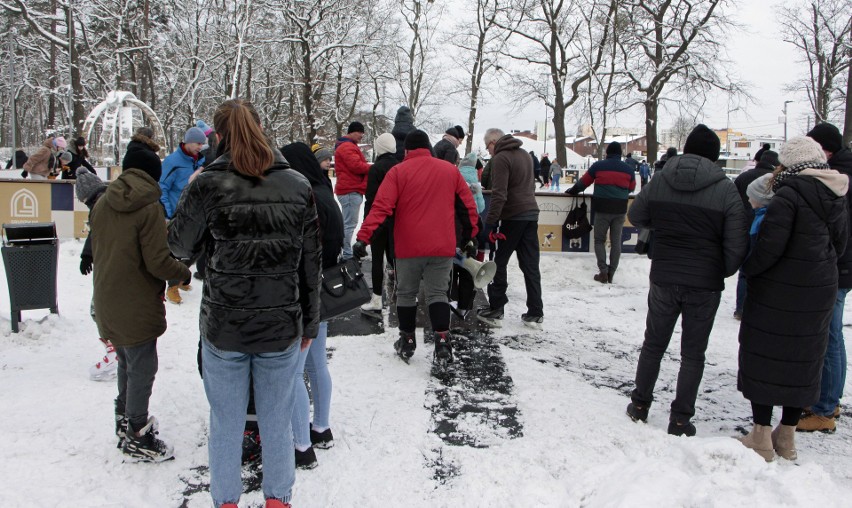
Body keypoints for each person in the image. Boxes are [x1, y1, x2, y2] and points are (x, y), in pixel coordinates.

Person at [168, 99, 321, 508]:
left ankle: (227, 502)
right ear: (259, 128)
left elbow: (179, 245)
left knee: (226, 425)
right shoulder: (297, 185)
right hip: (280, 325)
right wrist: (309, 323)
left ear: (218, 135)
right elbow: (311, 263)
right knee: (276, 421)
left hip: (225, 326)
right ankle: (278, 500)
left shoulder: (206, 183)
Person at [625, 124, 748, 436]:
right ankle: (680, 418)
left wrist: (662, 227)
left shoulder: (662, 178)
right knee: (693, 353)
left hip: (665, 274)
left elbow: (637, 215)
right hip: (704, 283)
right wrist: (719, 270)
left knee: (653, 343)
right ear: (715, 155)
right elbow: (736, 245)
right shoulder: (726, 189)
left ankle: (640, 404)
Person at [737, 136, 848, 461]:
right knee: (803, 360)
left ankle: (760, 435)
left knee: (766, 356)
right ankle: (785, 437)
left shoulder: (787, 195)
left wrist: (749, 268)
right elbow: (838, 247)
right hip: (819, 290)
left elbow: (770, 248)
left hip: (778, 290)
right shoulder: (836, 194)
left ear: (792, 164)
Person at [88, 125, 191, 461]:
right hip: (135, 303)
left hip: (106, 300)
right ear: (152, 174)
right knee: (143, 367)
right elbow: (158, 261)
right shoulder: (149, 208)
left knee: (125, 361)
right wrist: (183, 272)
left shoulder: (103, 203)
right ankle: (137, 433)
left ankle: (123, 420)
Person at [352, 130, 479, 364]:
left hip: (408, 246)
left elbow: (380, 208)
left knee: (406, 294)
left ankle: (407, 340)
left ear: (407, 150)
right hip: (442, 246)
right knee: (438, 294)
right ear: (428, 147)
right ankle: (442, 342)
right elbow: (467, 206)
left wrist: (363, 238)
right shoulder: (450, 170)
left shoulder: (397, 172)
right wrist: (470, 237)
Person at [281, 141, 344, 469]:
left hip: (304, 293)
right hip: (323, 291)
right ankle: (321, 427)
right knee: (316, 364)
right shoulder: (326, 194)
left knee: (291, 372)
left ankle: (302, 447)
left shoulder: (305, 197)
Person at [796, 122, 852, 432]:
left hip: (838, 266)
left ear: (825, 150)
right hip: (842, 265)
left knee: (829, 335)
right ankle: (829, 400)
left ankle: (825, 408)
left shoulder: (839, 178)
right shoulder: (842, 171)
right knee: (832, 334)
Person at [476, 128, 544, 330]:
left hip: (512, 217)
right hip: (531, 214)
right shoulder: (525, 155)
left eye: (488, 146)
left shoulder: (501, 158)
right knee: (530, 265)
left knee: (498, 261)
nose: (488, 152)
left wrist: (490, 223)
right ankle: (535, 312)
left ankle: (496, 309)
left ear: (494, 141)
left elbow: (499, 195)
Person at [565, 141, 636, 284]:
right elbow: (631, 188)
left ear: (607, 153)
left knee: (599, 240)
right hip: (620, 209)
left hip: (602, 209)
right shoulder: (628, 169)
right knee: (616, 242)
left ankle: (603, 271)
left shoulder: (598, 166)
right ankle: (612, 272)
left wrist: (572, 191)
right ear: (620, 154)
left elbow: (583, 183)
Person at [159, 126, 206, 303]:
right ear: (187, 142)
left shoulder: (198, 162)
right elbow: (162, 186)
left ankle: (182, 279)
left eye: (202, 144)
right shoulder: (173, 161)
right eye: (197, 143)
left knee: (193, 249)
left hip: (191, 214)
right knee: (176, 252)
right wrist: (167, 213)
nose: (199, 147)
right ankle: (171, 287)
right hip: (175, 213)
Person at [732, 149, 780, 319]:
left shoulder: (744, 177)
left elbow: (733, 200)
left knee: (745, 269)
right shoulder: (776, 180)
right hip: (769, 229)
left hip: (743, 226)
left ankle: (741, 308)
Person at [360, 133, 398, 315]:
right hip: (397, 220)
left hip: (379, 219)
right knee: (396, 258)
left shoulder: (376, 169)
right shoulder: (400, 167)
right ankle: (401, 294)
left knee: (377, 259)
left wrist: (368, 222)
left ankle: (376, 298)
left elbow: (371, 198)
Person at [334, 121, 370, 260]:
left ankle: (344, 252)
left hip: (349, 190)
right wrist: (372, 168)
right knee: (349, 225)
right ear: (352, 132)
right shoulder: (347, 147)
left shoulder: (346, 146)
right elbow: (356, 166)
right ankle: (347, 254)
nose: (362, 135)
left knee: (347, 223)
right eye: (360, 132)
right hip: (350, 190)